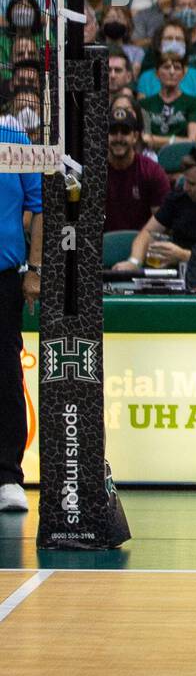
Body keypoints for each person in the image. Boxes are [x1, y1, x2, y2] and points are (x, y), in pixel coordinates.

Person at [0, 115, 43, 510]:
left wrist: (35, 270)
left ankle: (8, 477)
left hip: (4, 278)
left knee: (6, 372)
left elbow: (40, 206)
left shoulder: (13, 138)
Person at [114, 142, 196, 271]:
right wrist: (134, 261)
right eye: (185, 180)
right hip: (178, 275)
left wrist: (184, 255)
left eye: (192, 183)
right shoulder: (180, 196)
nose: (185, 188)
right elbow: (148, 232)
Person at [104, 101, 171, 232]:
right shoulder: (95, 173)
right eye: (113, 132)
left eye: (124, 132)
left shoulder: (152, 171)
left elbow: (163, 221)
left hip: (142, 246)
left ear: (135, 136)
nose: (118, 138)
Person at [139, 52, 196, 149]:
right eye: (166, 67)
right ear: (156, 73)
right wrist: (177, 140)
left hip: (183, 157)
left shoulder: (193, 102)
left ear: (183, 74)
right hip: (151, 157)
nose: (172, 72)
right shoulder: (145, 104)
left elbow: (192, 141)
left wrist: (157, 140)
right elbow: (145, 139)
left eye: (177, 68)